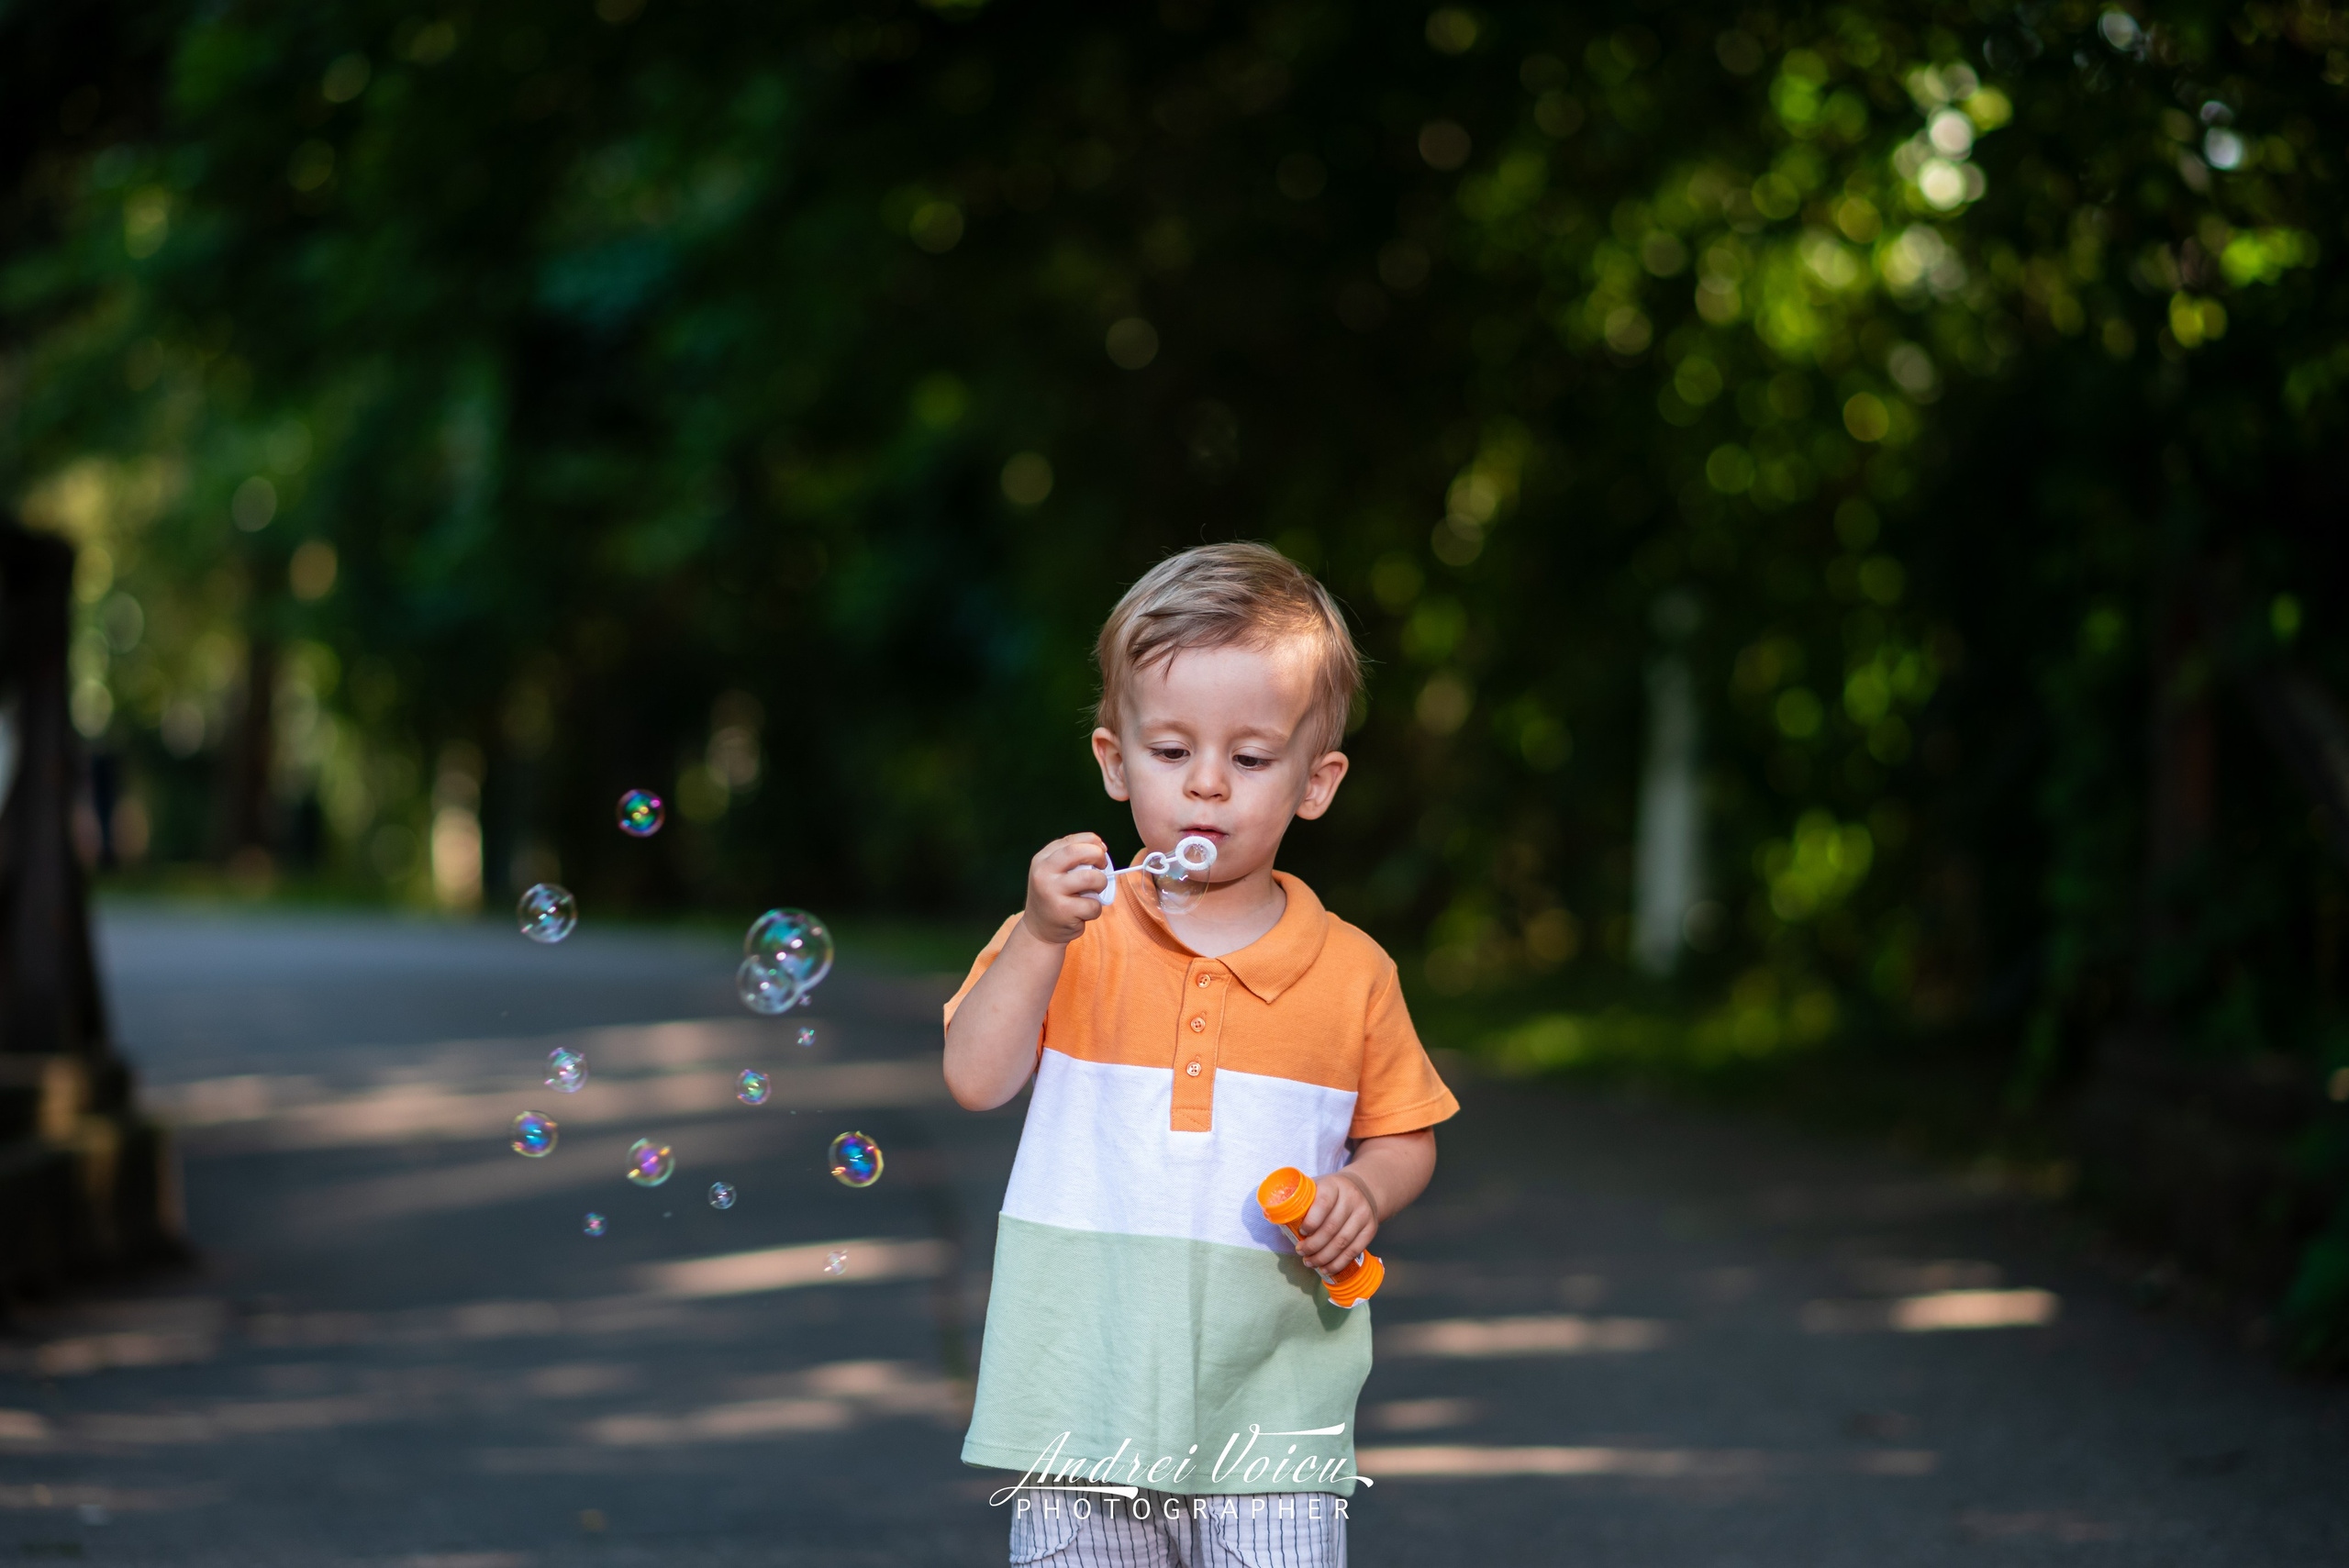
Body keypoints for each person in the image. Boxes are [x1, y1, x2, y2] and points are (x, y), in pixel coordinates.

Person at [943, 541, 1460, 1565]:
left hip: (1271, 1407)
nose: (1209, 787)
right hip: (1077, 1405)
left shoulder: (1352, 969)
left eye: (1251, 758)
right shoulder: (1066, 933)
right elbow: (975, 1076)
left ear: (1315, 782)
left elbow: (1403, 1133)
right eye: (1173, 752)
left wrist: (1364, 1186)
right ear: (1114, 761)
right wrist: (1040, 935)